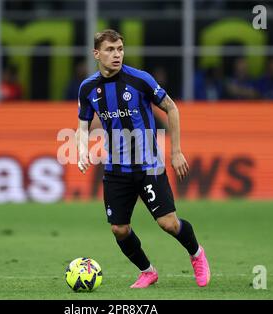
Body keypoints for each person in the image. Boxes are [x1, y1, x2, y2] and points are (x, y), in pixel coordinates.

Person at [76, 29, 210, 289]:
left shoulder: (140, 80)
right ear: (96, 54)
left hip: (148, 166)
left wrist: (176, 151)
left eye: (120, 49)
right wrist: (82, 149)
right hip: (116, 169)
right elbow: (83, 123)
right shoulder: (88, 88)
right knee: (119, 229)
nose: (117, 55)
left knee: (168, 224)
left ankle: (197, 254)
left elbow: (172, 108)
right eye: (110, 50)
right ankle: (148, 271)